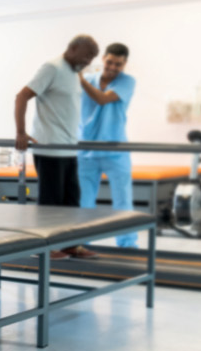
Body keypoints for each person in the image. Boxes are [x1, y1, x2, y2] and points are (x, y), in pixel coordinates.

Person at [14, 34, 100, 259]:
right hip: (50, 146)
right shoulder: (51, 68)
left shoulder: (74, 73)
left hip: (69, 147)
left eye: (92, 58)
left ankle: (69, 245)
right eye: (87, 56)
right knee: (50, 203)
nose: (89, 61)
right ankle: (43, 247)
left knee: (71, 202)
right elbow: (22, 97)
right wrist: (21, 132)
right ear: (72, 48)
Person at [78, 43, 138, 248]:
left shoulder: (127, 81)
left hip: (115, 150)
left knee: (123, 202)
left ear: (125, 64)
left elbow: (102, 99)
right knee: (84, 203)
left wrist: (79, 78)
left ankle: (127, 245)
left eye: (118, 64)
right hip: (85, 149)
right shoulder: (88, 79)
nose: (113, 67)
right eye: (110, 62)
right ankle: (80, 243)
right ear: (103, 59)